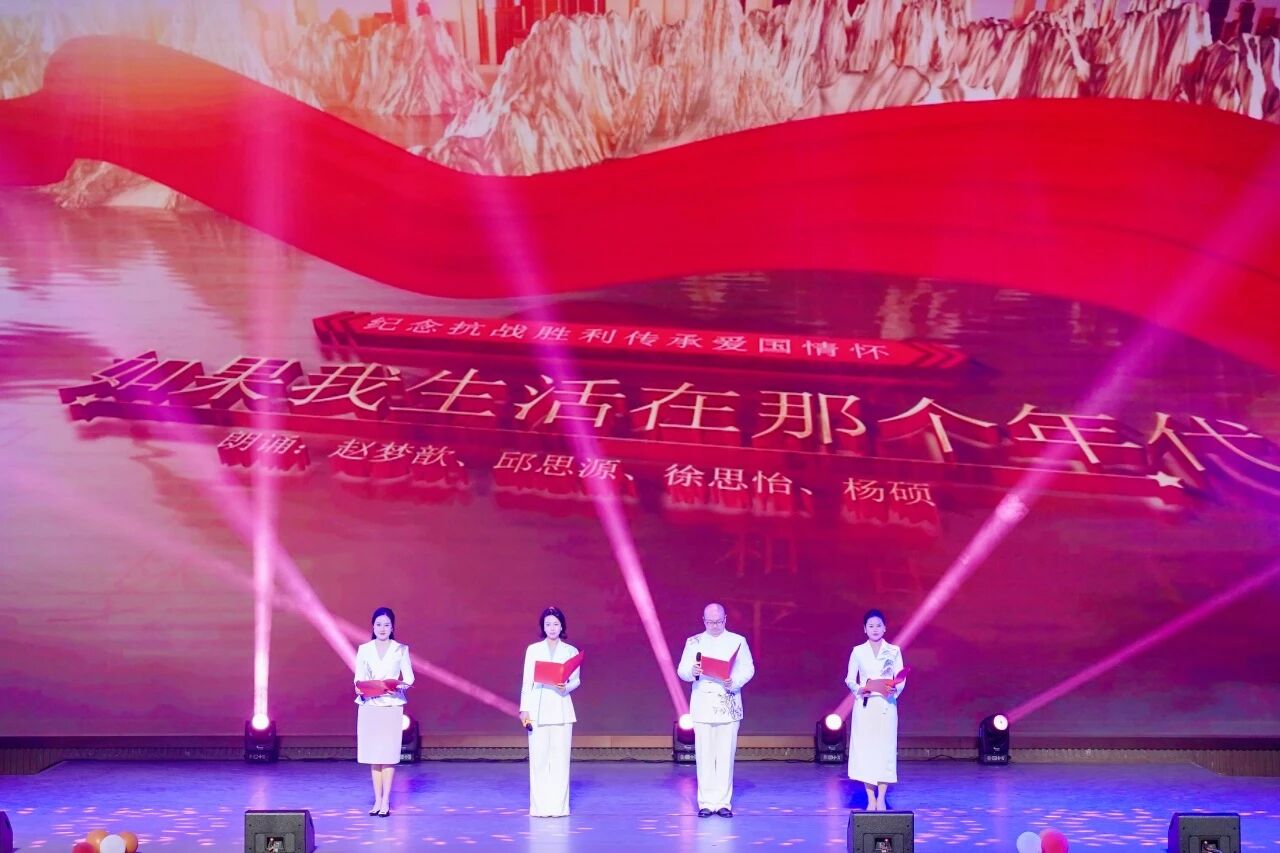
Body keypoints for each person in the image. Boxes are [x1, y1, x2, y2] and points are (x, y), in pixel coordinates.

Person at [676, 602, 755, 818]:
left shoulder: (738, 641)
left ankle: (723, 803)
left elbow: (748, 668)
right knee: (704, 755)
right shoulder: (694, 642)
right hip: (703, 704)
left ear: (725, 619)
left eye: (718, 621)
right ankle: (706, 802)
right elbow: (682, 670)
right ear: (703, 621)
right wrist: (693, 671)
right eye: (710, 622)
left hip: (728, 704)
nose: (715, 626)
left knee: (725, 755)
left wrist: (734, 681)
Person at [519, 606, 581, 817]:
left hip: (561, 707)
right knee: (539, 760)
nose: (552, 628)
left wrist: (566, 687)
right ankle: (539, 808)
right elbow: (527, 681)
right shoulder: (533, 650)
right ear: (543, 627)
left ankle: (559, 808)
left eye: (555, 624)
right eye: (548, 624)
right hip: (537, 708)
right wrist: (524, 709)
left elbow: (576, 680)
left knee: (560, 760)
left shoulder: (570, 651)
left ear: (562, 626)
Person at [354, 606, 414, 817]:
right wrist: (362, 687)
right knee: (374, 756)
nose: (382, 628)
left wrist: (398, 685)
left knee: (387, 755)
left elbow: (409, 677)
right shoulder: (364, 649)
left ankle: (386, 800)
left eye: (386, 625)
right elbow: (358, 677)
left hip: (391, 706)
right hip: (370, 706)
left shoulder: (400, 649)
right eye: (378, 624)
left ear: (392, 627)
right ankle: (377, 800)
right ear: (373, 626)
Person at [845, 609, 906, 811]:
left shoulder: (894, 651)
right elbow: (850, 679)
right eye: (871, 626)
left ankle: (881, 798)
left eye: (878, 625)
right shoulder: (858, 651)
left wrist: (895, 688)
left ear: (885, 628)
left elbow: (900, 678)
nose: (875, 629)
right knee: (867, 751)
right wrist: (859, 689)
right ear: (865, 629)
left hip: (886, 706)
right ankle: (871, 798)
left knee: (884, 751)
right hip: (866, 706)